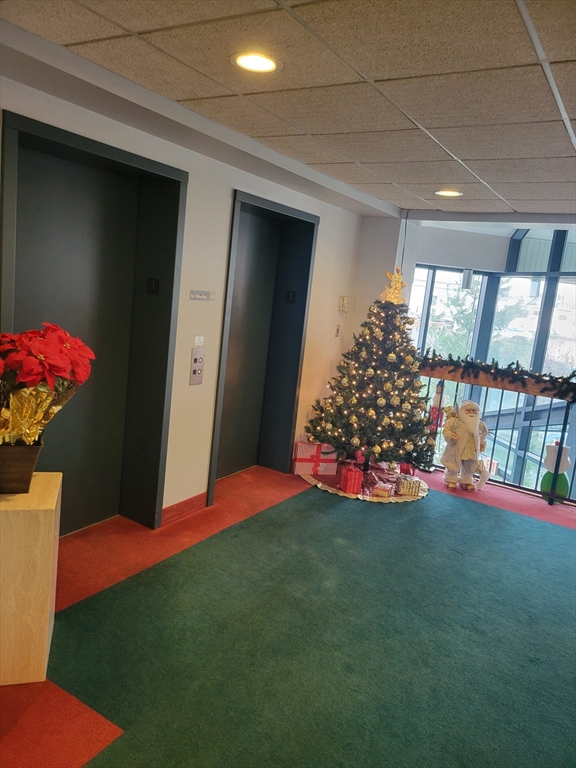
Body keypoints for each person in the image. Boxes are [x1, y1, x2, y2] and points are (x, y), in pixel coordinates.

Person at [441, 400, 488, 491]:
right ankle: (451, 479)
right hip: (456, 447)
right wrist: (450, 435)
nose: (471, 412)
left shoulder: (479, 424)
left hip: (471, 449)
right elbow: (446, 429)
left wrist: (482, 443)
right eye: (468, 410)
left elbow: (482, 435)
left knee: (469, 466)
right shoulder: (455, 421)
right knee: (453, 464)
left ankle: (466, 480)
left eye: (474, 410)